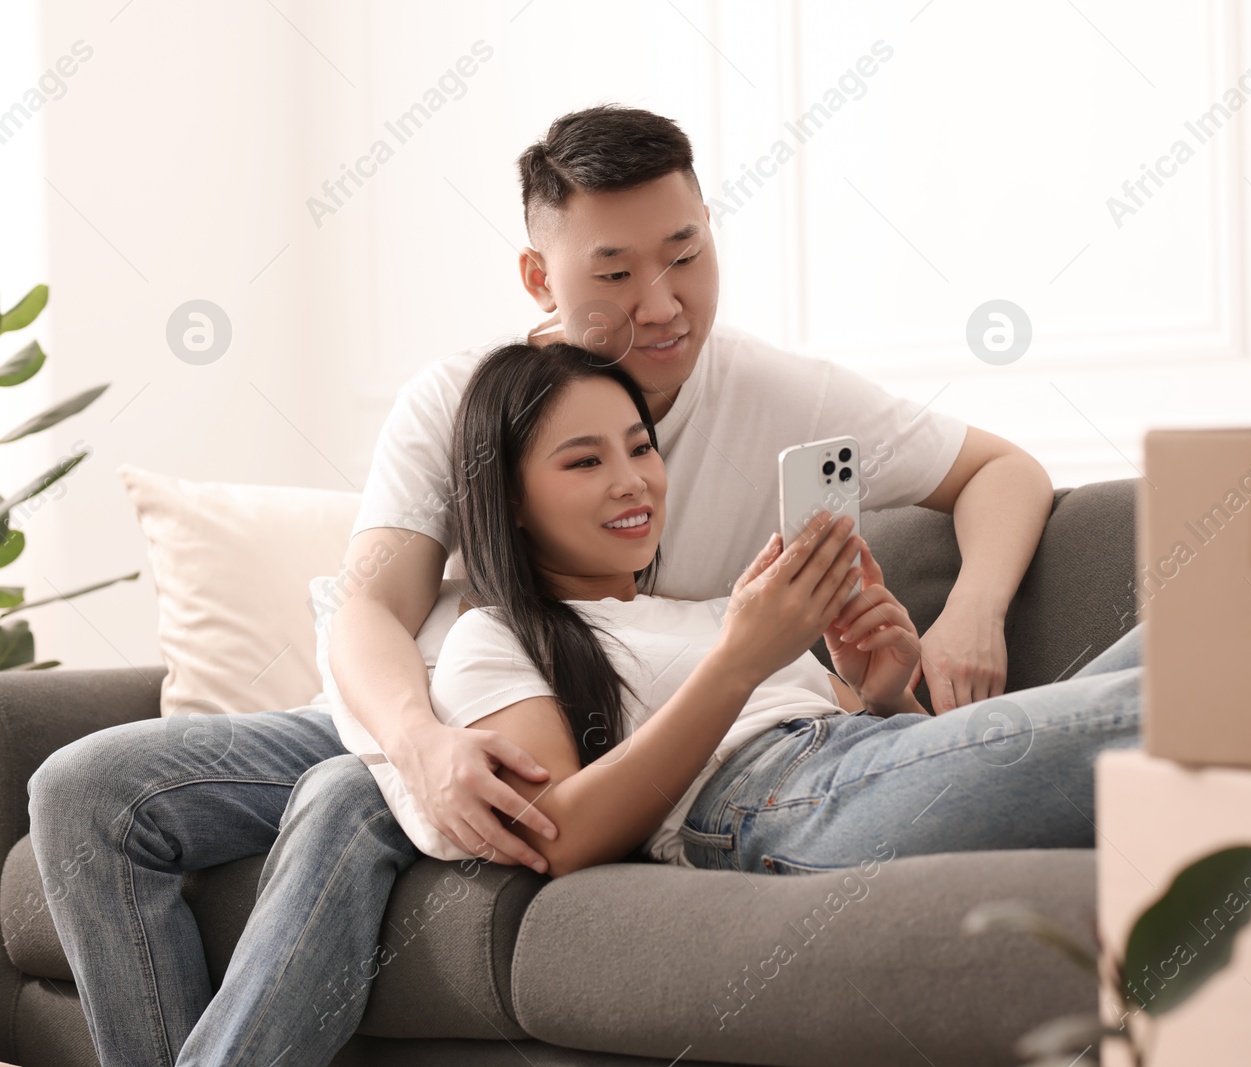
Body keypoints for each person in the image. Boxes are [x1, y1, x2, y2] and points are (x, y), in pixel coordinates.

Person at [26, 105, 1064, 1067]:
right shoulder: (464, 402)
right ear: (538, 276)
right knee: (90, 787)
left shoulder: (777, 390)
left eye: (686, 256)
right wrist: (420, 745)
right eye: (612, 272)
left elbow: (1001, 469)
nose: (660, 305)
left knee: (347, 797)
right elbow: (369, 608)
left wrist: (969, 606)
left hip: (622, 725)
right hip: (458, 707)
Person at [372, 339, 1140, 881]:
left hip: (850, 762)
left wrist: (884, 693)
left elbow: (910, 754)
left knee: (1191, 647)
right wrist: (739, 660)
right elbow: (560, 835)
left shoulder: (710, 611)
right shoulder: (492, 637)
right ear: (509, 497)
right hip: (770, 800)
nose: (633, 480)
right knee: (1167, 705)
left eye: (640, 448)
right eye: (585, 460)